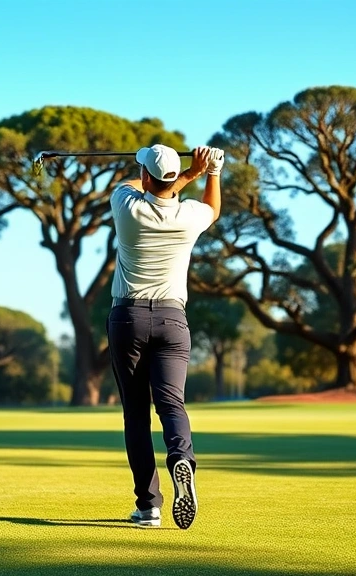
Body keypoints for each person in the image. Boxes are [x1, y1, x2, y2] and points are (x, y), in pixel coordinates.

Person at [107, 143, 223, 529]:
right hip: (174, 320)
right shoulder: (191, 216)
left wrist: (182, 174)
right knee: (172, 405)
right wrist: (210, 171)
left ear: (145, 177)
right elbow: (214, 209)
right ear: (173, 179)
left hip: (128, 318)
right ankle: (182, 461)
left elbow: (130, 183)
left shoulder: (126, 206)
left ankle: (149, 507)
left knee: (136, 414)